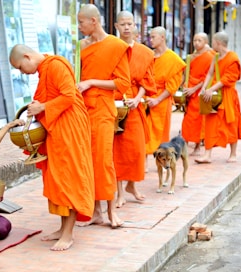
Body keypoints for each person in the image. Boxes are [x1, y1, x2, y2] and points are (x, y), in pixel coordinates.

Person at [9, 44, 95, 251]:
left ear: (28, 57)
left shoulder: (55, 66)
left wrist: (43, 107)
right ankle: (62, 228)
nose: (23, 72)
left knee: (70, 177)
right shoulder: (45, 68)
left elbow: (69, 97)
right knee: (59, 177)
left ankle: (68, 234)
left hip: (70, 128)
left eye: (21, 67)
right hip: (58, 128)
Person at [76, 4, 130, 228]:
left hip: (103, 111)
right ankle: (95, 211)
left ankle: (110, 212)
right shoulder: (80, 46)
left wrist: (91, 82)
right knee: (86, 161)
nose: (79, 27)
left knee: (103, 160)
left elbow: (123, 83)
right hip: (82, 111)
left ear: (93, 21)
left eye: (81, 22)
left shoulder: (116, 46)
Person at [113, 11, 156, 208]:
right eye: (123, 24)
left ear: (135, 26)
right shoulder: (111, 49)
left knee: (136, 150)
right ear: (116, 26)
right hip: (115, 104)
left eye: (130, 23)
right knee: (117, 151)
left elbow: (146, 81)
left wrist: (138, 99)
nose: (127, 27)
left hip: (135, 104)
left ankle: (132, 185)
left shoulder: (145, 53)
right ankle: (120, 191)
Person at [195, 31, 241, 163]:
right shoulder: (216, 57)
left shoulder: (232, 58)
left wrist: (211, 89)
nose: (211, 44)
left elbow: (228, 78)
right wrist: (203, 89)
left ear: (218, 43)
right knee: (210, 122)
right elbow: (210, 74)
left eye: (213, 42)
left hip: (228, 95)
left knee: (231, 123)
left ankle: (233, 154)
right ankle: (207, 154)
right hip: (213, 95)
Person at [145, 26, 186, 162]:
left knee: (160, 132)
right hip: (146, 97)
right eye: (150, 37)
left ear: (162, 37)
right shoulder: (149, 56)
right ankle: (143, 161)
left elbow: (173, 85)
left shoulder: (173, 59)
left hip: (162, 100)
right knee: (144, 131)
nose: (150, 40)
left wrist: (157, 100)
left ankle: (162, 159)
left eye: (153, 37)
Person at [181, 33, 215, 156]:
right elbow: (186, 73)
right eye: (194, 40)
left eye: (199, 40)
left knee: (200, 120)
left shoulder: (210, 56)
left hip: (200, 91)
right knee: (187, 120)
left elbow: (208, 77)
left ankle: (197, 147)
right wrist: (183, 85)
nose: (196, 43)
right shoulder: (191, 56)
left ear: (205, 42)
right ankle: (184, 144)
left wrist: (194, 89)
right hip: (189, 91)